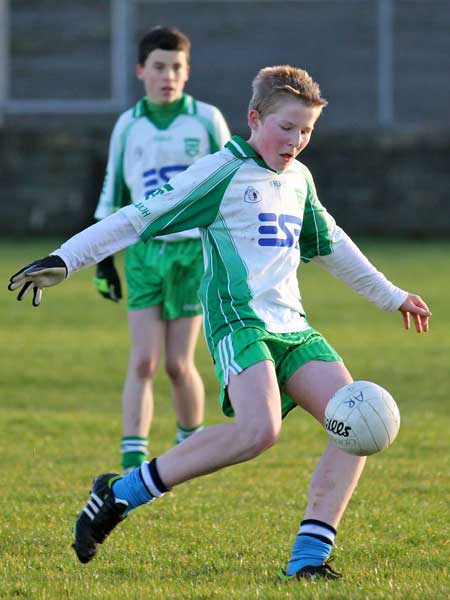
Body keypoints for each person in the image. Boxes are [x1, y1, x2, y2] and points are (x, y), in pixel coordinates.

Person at [8, 65, 431, 581]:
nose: (296, 141)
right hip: (239, 322)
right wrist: (66, 258)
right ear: (255, 118)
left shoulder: (298, 179)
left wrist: (393, 296)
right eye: (286, 128)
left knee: (355, 420)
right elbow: (140, 216)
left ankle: (308, 560)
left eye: (307, 132)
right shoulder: (221, 172)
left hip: (292, 326)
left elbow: (332, 244)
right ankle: (119, 494)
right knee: (259, 431)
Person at [92, 26, 230, 471]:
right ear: (140, 71)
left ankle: (189, 450)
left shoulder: (206, 120)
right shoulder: (128, 125)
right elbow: (113, 191)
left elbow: (229, 184)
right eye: (158, 67)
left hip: (193, 254)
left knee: (177, 362)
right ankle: (132, 456)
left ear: (187, 72)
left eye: (176, 67)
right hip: (144, 254)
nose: (167, 75)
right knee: (145, 359)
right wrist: (104, 262)